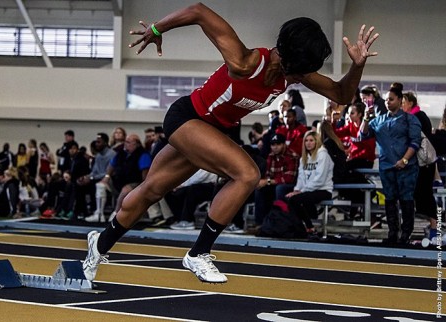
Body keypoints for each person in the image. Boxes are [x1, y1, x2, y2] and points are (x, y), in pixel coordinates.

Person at [83, 2, 379, 283]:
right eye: (304, 70)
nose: (307, 76)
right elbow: (198, 11)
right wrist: (156, 30)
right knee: (247, 173)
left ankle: (99, 244)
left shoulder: (291, 77)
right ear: (292, 60)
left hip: (209, 130)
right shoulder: (245, 61)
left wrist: (357, 66)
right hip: (187, 118)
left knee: (152, 190)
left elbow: (341, 95)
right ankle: (198, 253)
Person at [360, 86, 421, 245]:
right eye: (386, 99)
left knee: (406, 199)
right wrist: (366, 119)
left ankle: (406, 233)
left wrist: (405, 160)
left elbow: (415, 142)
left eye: (391, 99)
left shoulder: (410, 119)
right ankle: (393, 232)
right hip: (387, 167)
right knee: (390, 199)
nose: (388, 102)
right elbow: (362, 135)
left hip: (407, 168)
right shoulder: (379, 119)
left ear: (400, 100)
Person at [402, 91, 438, 240]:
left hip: (424, 163)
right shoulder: (419, 116)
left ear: (410, 103)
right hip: (425, 163)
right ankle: (433, 227)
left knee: (425, 194)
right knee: (424, 194)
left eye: (403, 102)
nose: (402, 105)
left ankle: (435, 228)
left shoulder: (417, 117)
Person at [285, 131, 334, 236]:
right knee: (289, 198)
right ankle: (302, 226)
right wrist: (297, 190)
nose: (308, 143)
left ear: (317, 142)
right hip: (309, 190)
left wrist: (301, 192)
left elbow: (320, 179)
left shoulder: (323, 156)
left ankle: (309, 226)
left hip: (323, 190)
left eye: (311, 140)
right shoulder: (304, 158)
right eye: (306, 141)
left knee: (295, 199)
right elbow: (301, 178)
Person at [254, 133, 297, 226]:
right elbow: (268, 175)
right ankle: (260, 223)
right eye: (273, 145)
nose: (275, 147)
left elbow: (288, 178)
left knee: (280, 188)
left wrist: (267, 181)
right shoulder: (271, 156)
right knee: (260, 188)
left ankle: (279, 221)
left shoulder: (291, 155)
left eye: (278, 144)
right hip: (275, 184)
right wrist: (264, 182)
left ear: (283, 144)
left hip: (291, 186)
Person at [84, 133, 117, 223]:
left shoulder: (112, 154)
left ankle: (99, 213)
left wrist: (92, 178)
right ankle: (83, 211)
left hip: (110, 180)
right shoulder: (98, 156)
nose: (96, 144)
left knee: (96, 184)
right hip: (98, 178)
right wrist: (86, 177)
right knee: (80, 184)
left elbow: (109, 172)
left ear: (105, 143)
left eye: (99, 142)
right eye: (96, 142)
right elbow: (94, 171)